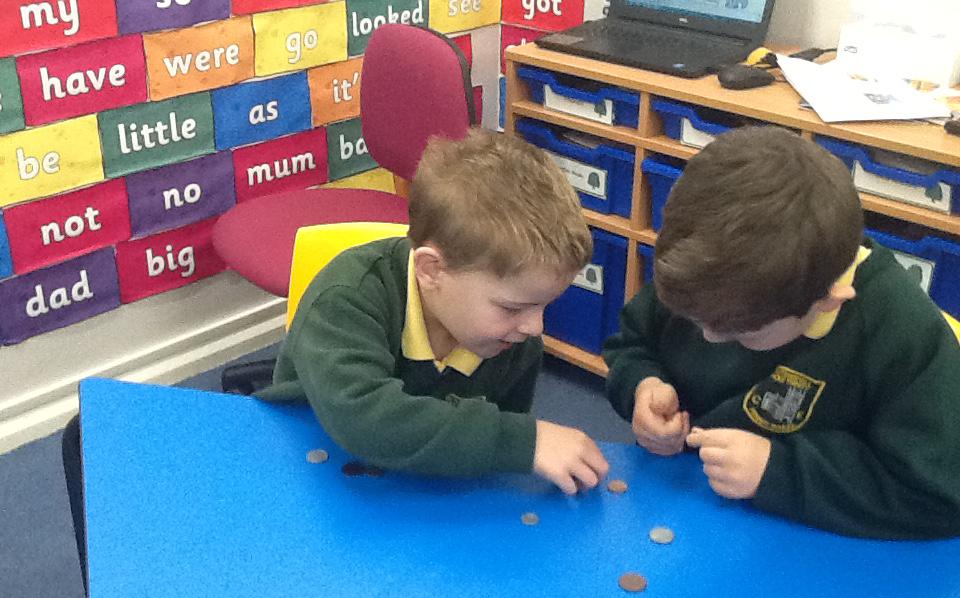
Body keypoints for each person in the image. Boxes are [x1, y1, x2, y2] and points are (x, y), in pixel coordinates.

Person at [603, 126, 960, 539]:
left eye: (743, 334)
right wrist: (642, 387)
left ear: (828, 301)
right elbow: (633, 343)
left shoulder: (901, 332)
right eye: (694, 320)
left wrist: (777, 471)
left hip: (813, 542)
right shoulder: (709, 280)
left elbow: (937, 494)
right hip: (690, 508)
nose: (709, 338)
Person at [257, 128, 609, 494]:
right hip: (302, 466)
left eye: (545, 305)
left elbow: (488, 446)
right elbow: (365, 418)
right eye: (512, 307)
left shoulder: (511, 338)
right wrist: (523, 441)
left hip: (413, 488)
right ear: (431, 271)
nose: (535, 327)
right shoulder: (346, 299)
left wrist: (507, 444)